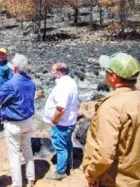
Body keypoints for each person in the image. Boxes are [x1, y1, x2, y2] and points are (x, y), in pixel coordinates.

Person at [83, 52, 140, 187]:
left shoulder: (111, 106)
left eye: (106, 71)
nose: (105, 74)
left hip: (115, 180)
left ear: (113, 77)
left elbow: (104, 153)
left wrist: (91, 174)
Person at [0, 54, 36, 187]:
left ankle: (17, 184)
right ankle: (31, 179)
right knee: (28, 151)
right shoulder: (31, 82)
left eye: (12, 63)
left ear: (16, 67)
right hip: (28, 121)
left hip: (13, 123)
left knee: (14, 156)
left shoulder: (11, 83)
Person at [43, 62, 79, 180]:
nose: (51, 72)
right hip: (70, 120)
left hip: (62, 123)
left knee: (60, 147)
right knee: (67, 143)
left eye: (52, 70)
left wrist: (54, 120)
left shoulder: (62, 86)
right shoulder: (71, 82)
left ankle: (60, 172)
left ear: (58, 73)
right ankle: (68, 165)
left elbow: (61, 108)